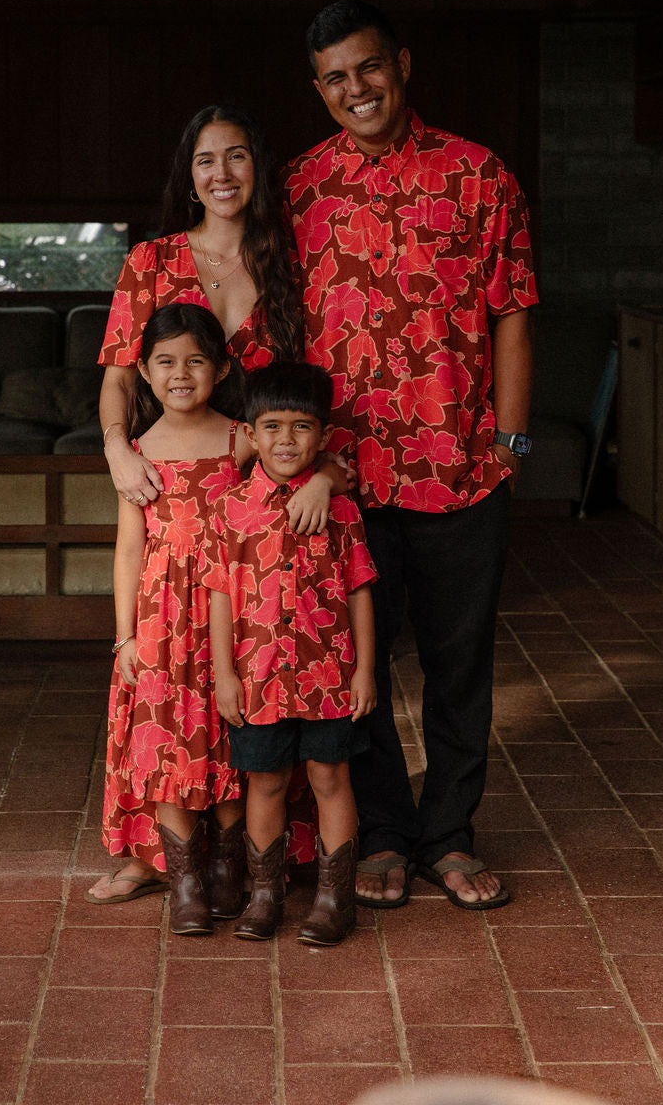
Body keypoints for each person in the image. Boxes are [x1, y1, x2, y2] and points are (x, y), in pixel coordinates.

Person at [284, 0, 538, 913]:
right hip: (345, 479)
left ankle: (450, 834)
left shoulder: (479, 174)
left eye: (368, 68)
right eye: (335, 78)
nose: (356, 89)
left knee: (458, 664)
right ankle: (387, 832)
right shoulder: (299, 187)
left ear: (401, 63)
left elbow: (513, 315)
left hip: (462, 466)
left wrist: (510, 444)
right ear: (320, 90)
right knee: (357, 661)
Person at [89, 303, 335, 924]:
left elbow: (306, 465)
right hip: (162, 620)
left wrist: (324, 480)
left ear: (222, 369)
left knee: (232, 733)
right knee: (169, 738)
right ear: (144, 372)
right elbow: (129, 549)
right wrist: (125, 637)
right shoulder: (137, 453)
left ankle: (230, 865)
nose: (181, 374)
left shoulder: (240, 439)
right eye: (165, 362)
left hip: (235, 615)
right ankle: (185, 881)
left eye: (196, 361)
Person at [209, 361, 376, 945]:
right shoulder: (230, 510)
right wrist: (224, 675)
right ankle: (264, 895)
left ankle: (334, 900)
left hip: (328, 674)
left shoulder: (342, 509)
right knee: (266, 781)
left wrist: (364, 672)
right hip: (257, 680)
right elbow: (221, 597)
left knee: (330, 775)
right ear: (250, 435)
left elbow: (359, 591)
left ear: (323, 435)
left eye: (301, 427)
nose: (286, 440)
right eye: (272, 427)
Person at [98, 103, 303, 512]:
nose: (221, 174)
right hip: (172, 479)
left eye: (236, 156)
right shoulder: (150, 261)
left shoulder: (289, 264)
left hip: (274, 478)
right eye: (206, 160)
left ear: (257, 168)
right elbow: (119, 379)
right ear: (191, 177)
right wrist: (117, 451)